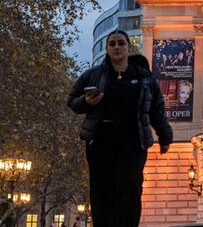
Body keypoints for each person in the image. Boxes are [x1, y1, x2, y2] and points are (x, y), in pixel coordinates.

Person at [68, 29, 173, 227]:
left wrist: (165, 137)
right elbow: (72, 101)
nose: (117, 47)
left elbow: (157, 109)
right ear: (107, 49)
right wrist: (87, 102)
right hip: (100, 142)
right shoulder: (92, 75)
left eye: (121, 43)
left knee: (131, 189)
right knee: (101, 191)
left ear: (128, 47)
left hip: (133, 142)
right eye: (112, 44)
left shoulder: (145, 78)